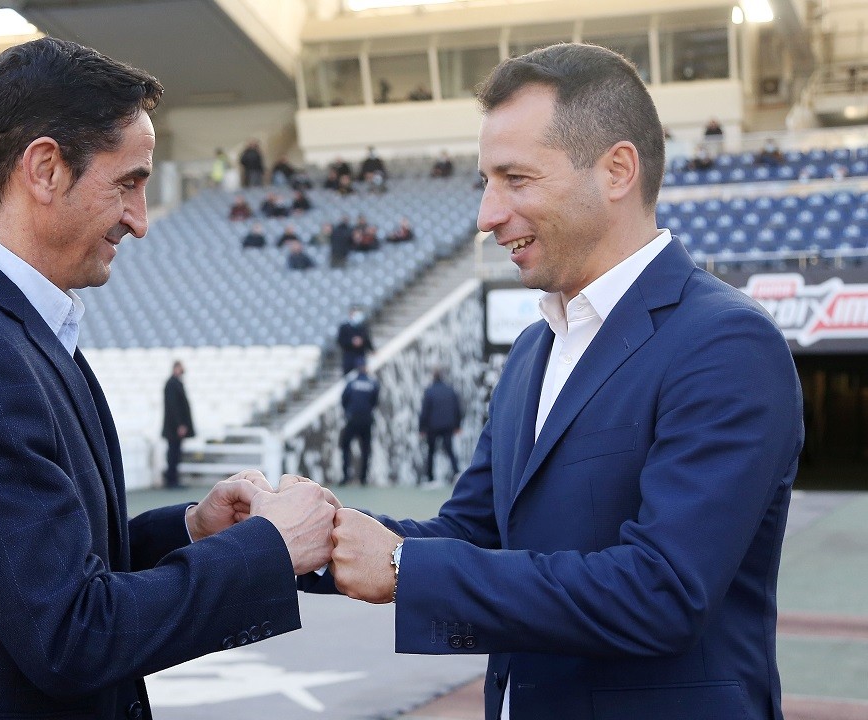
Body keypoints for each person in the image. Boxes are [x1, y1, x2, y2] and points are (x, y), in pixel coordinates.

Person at [0, 37, 338, 720]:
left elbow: (42, 566)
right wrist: (268, 550)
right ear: (45, 168)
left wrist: (193, 531)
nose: (140, 220)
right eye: (128, 183)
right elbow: (71, 634)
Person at [324, 43, 803, 720]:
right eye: (486, 182)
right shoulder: (533, 349)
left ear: (616, 170)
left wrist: (405, 568)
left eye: (515, 179)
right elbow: (474, 533)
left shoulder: (725, 343)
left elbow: (662, 593)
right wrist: (312, 536)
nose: (487, 215)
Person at [338, 361, 380, 486]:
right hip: (366, 419)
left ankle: (346, 476)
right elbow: (375, 401)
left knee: (345, 445)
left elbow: (344, 399)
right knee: (365, 449)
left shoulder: (352, 382)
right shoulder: (372, 383)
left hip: (353, 419)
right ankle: (363, 478)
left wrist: (348, 412)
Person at [418, 368, 462, 485]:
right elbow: (457, 409)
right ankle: (456, 473)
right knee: (450, 450)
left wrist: (421, 428)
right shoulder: (450, 390)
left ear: (433, 377)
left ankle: (430, 478)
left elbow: (425, 411)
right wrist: (457, 425)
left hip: (432, 427)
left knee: (431, 452)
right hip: (448, 426)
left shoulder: (429, 391)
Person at [161, 360, 194, 489]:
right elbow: (173, 407)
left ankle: (173, 478)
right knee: (173, 453)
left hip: (174, 428)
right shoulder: (172, 384)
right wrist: (179, 424)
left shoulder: (175, 383)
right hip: (173, 428)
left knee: (175, 453)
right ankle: (171, 480)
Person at [337, 304, 374, 374]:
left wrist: (372, 350)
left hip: (360, 355)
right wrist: (352, 342)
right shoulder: (344, 327)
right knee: (349, 376)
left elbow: (367, 340)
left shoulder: (363, 327)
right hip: (349, 356)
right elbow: (340, 341)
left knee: (361, 374)